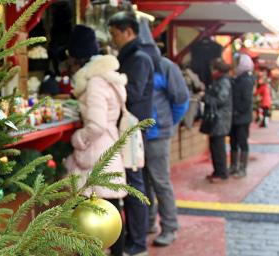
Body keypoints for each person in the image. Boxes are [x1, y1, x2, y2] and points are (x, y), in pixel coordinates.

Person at [63, 25, 128, 256]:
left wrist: (77, 138)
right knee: (112, 209)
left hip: (97, 150)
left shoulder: (94, 83)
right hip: (109, 146)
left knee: (90, 212)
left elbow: (97, 125)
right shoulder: (107, 77)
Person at [137, 18, 190, 246]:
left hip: (159, 135)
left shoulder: (167, 67)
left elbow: (181, 100)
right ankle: (149, 222)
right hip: (139, 135)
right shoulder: (135, 64)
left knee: (160, 182)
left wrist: (166, 124)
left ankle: (170, 227)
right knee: (143, 182)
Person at [108, 11, 154, 256]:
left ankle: (137, 243)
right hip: (131, 129)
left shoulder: (138, 58)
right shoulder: (132, 56)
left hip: (132, 131)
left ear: (129, 32)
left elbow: (133, 94)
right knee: (137, 183)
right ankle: (137, 236)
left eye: (115, 34)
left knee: (135, 185)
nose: (113, 39)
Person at [201, 58, 232, 183]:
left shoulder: (223, 82)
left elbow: (220, 100)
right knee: (214, 146)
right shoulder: (219, 81)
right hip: (217, 119)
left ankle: (222, 172)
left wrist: (205, 97)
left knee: (218, 147)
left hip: (220, 119)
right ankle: (217, 171)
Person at [229, 52, 255, 179]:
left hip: (242, 117)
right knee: (233, 141)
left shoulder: (246, 80)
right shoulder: (237, 79)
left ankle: (242, 167)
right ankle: (234, 165)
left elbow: (246, 100)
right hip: (235, 117)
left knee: (242, 141)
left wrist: (237, 111)